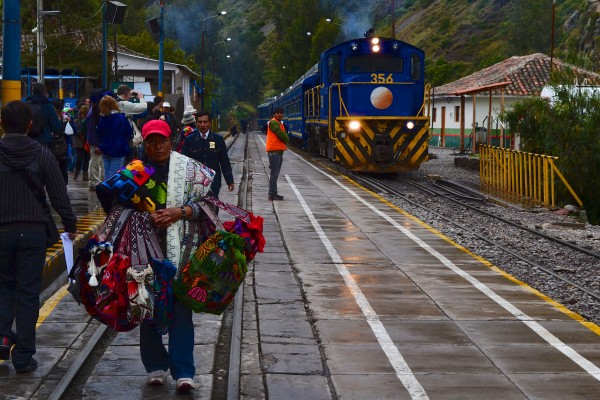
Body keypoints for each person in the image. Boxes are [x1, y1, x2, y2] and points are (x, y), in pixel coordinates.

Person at [95, 119, 215, 393]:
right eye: (151, 141)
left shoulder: (190, 170)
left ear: (171, 140)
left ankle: (184, 371)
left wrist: (180, 212)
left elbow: (210, 205)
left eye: (162, 140)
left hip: (183, 253)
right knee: (146, 310)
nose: (157, 146)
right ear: (144, 143)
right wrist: (142, 216)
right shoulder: (134, 172)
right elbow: (114, 209)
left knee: (181, 312)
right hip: (144, 254)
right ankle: (155, 367)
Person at [0, 100, 77, 373]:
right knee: (28, 293)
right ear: (30, 125)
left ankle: (2, 334)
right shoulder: (41, 153)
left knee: (3, 285)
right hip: (33, 232)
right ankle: (23, 356)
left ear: (1, 123)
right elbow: (58, 194)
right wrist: (70, 223)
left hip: (1, 231)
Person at [180, 111, 234, 198]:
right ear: (196, 123)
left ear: (210, 123)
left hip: (214, 182)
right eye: (200, 122)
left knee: (213, 206)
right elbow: (183, 161)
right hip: (195, 182)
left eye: (205, 122)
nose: (202, 125)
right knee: (196, 207)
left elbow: (224, 161)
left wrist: (229, 180)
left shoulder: (218, 139)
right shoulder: (189, 140)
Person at [96, 95, 133, 179]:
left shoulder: (102, 119)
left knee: (107, 173)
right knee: (114, 175)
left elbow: (98, 134)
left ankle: (106, 189)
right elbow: (128, 132)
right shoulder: (121, 118)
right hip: (118, 149)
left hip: (105, 148)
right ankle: (111, 191)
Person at [26, 83, 62, 148]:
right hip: (44, 141)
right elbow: (57, 127)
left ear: (32, 91)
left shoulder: (26, 104)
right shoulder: (48, 106)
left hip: (27, 141)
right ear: (44, 92)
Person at [266, 107, 289, 201]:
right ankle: (272, 194)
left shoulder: (279, 123)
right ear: (274, 114)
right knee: (274, 174)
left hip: (278, 151)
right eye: (277, 113)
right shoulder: (274, 122)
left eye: (281, 113)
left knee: (275, 173)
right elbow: (282, 135)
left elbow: (283, 134)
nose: (280, 114)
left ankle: (273, 193)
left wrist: (285, 136)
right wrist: (286, 138)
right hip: (274, 152)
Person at [73, 105, 90, 181]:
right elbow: (76, 131)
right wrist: (81, 134)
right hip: (79, 143)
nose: (84, 115)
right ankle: (76, 173)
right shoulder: (77, 121)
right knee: (79, 159)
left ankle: (85, 175)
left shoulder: (89, 120)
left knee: (86, 159)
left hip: (86, 142)